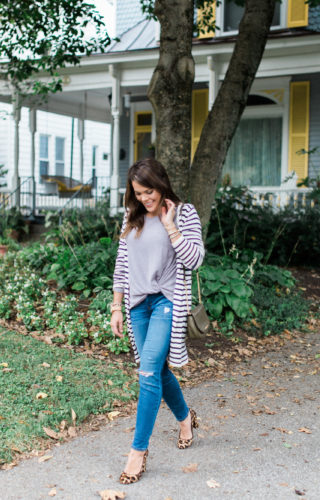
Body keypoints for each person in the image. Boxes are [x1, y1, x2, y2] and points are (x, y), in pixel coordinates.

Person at [111, 158, 205, 484]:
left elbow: (194, 259)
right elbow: (122, 264)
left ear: (161, 183)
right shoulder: (131, 216)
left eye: (148, 191)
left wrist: (170, 225)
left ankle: (138, 452)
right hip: (137, 304)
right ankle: (185, 418)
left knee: (148, 370)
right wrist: (116, 307)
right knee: (159, 370)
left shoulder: (185, 212)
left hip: (167, 301)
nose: (144, 199)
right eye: (138, 193)